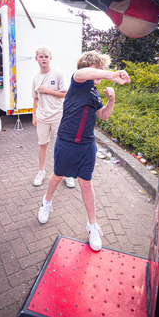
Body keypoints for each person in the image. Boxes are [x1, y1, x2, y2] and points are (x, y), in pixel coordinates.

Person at [38, 50, 131, 251]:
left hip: (87, 144)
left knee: (86, 184)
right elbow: (82, 74)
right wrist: (113, 74)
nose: (103, 73)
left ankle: (92, 226)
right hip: (67, 141)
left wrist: (111, 101)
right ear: (90, 70)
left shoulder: (93, 92)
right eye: (99, 70)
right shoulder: (79, 82)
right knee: (57, 175)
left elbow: (103, 115)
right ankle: (46, 202)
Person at [32, 44, 75, 188]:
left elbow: (65, 94)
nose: (44, 59)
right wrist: (34, 116)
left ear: (50, 58)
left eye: (46, 57)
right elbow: (36, 98)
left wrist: (47, 90)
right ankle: (41, 172)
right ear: (36, 59)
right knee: (42, 145)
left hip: (58, 115)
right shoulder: (35, 77)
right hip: (42, 116)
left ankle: (66, 173)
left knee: (61, 145)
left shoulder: (58, 73)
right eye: (41, 57)